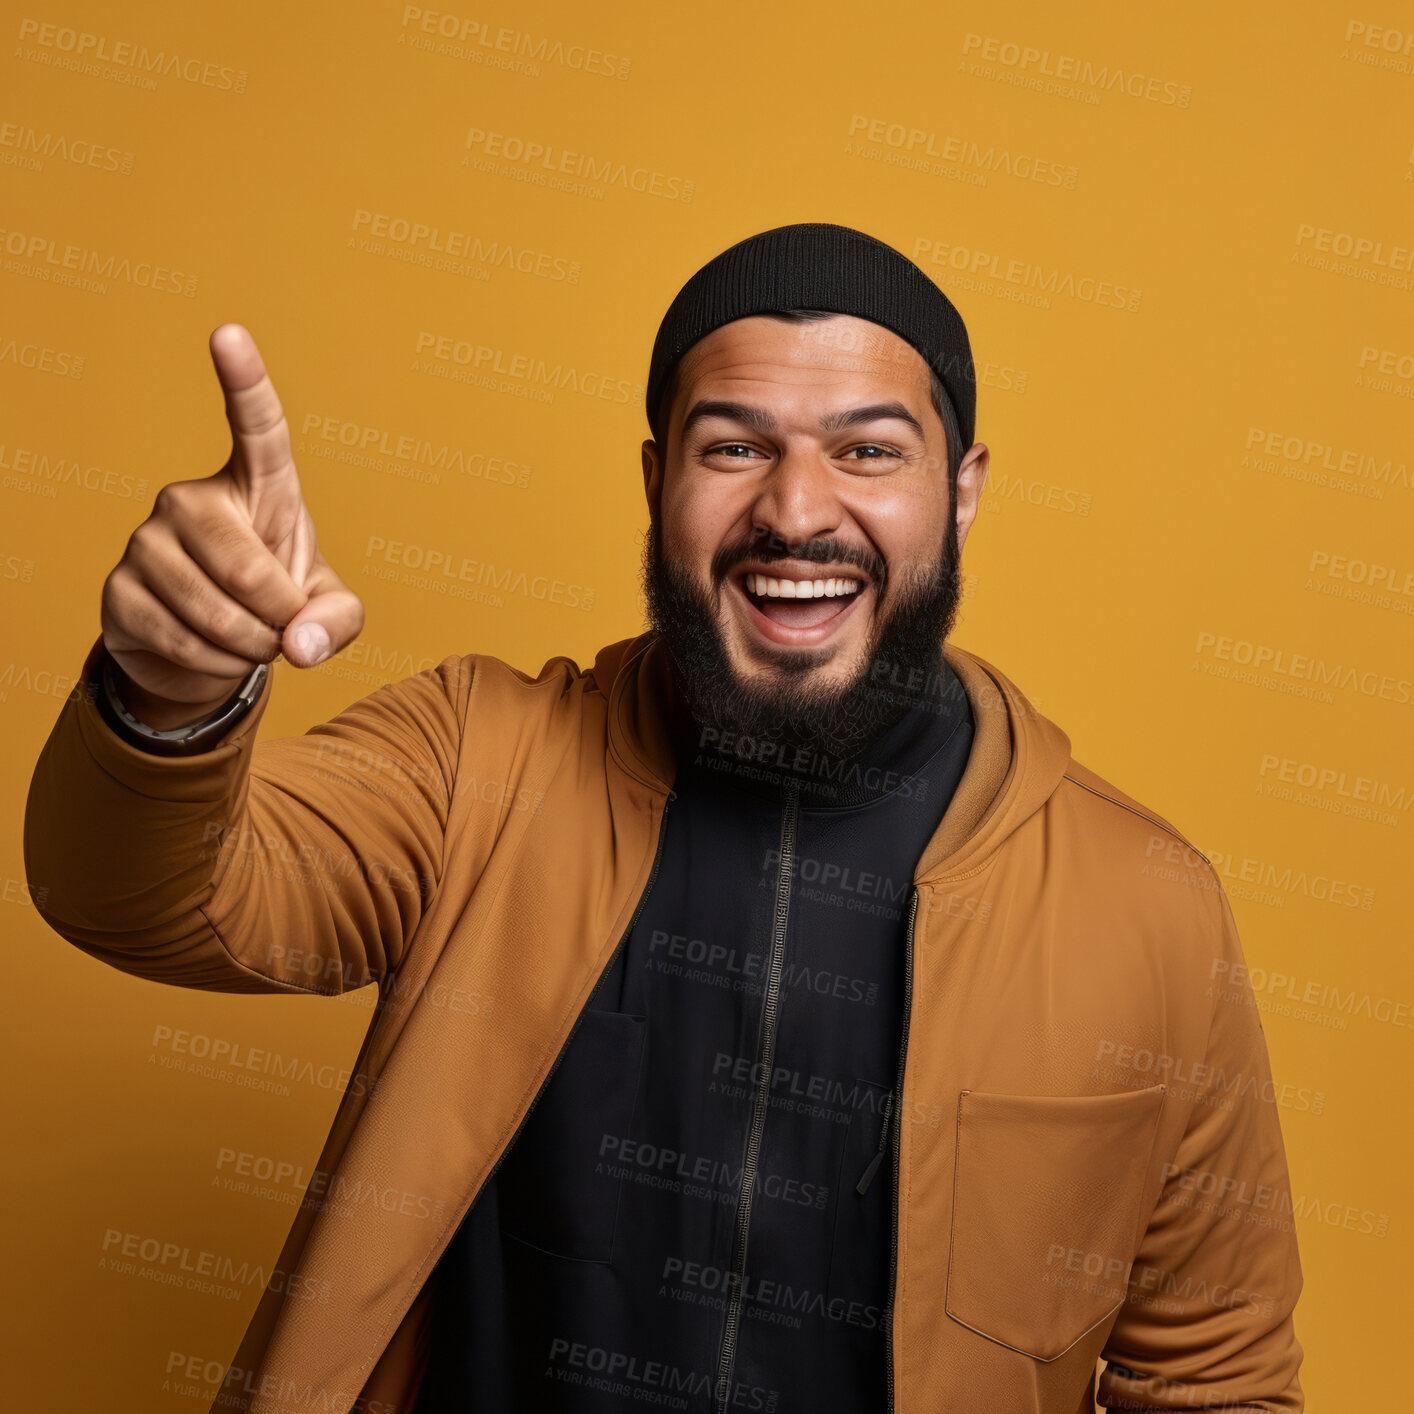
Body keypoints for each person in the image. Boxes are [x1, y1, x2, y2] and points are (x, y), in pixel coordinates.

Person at [24, 223, 1304, 1414]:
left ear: (961, 490)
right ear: (656, 480)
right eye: (733, 445)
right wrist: (173, 689)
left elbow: (1215, 1380)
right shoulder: (477, 763)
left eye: (867, 449)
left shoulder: (1145, 906)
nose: (796, 511)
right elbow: (146, 897)